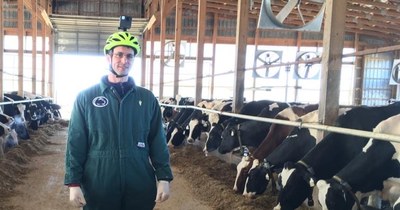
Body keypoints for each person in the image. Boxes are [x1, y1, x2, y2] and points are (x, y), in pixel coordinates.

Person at [64, 31, 173, 210]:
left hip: (139, 182)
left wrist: (163, 177)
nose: (124, 60)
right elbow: (75, 142)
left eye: (130, 56)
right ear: (108, 57)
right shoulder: (86, 97)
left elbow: (157, 141)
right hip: (99, 182)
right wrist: (73, 182)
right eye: (119, 55)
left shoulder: (147, 99)